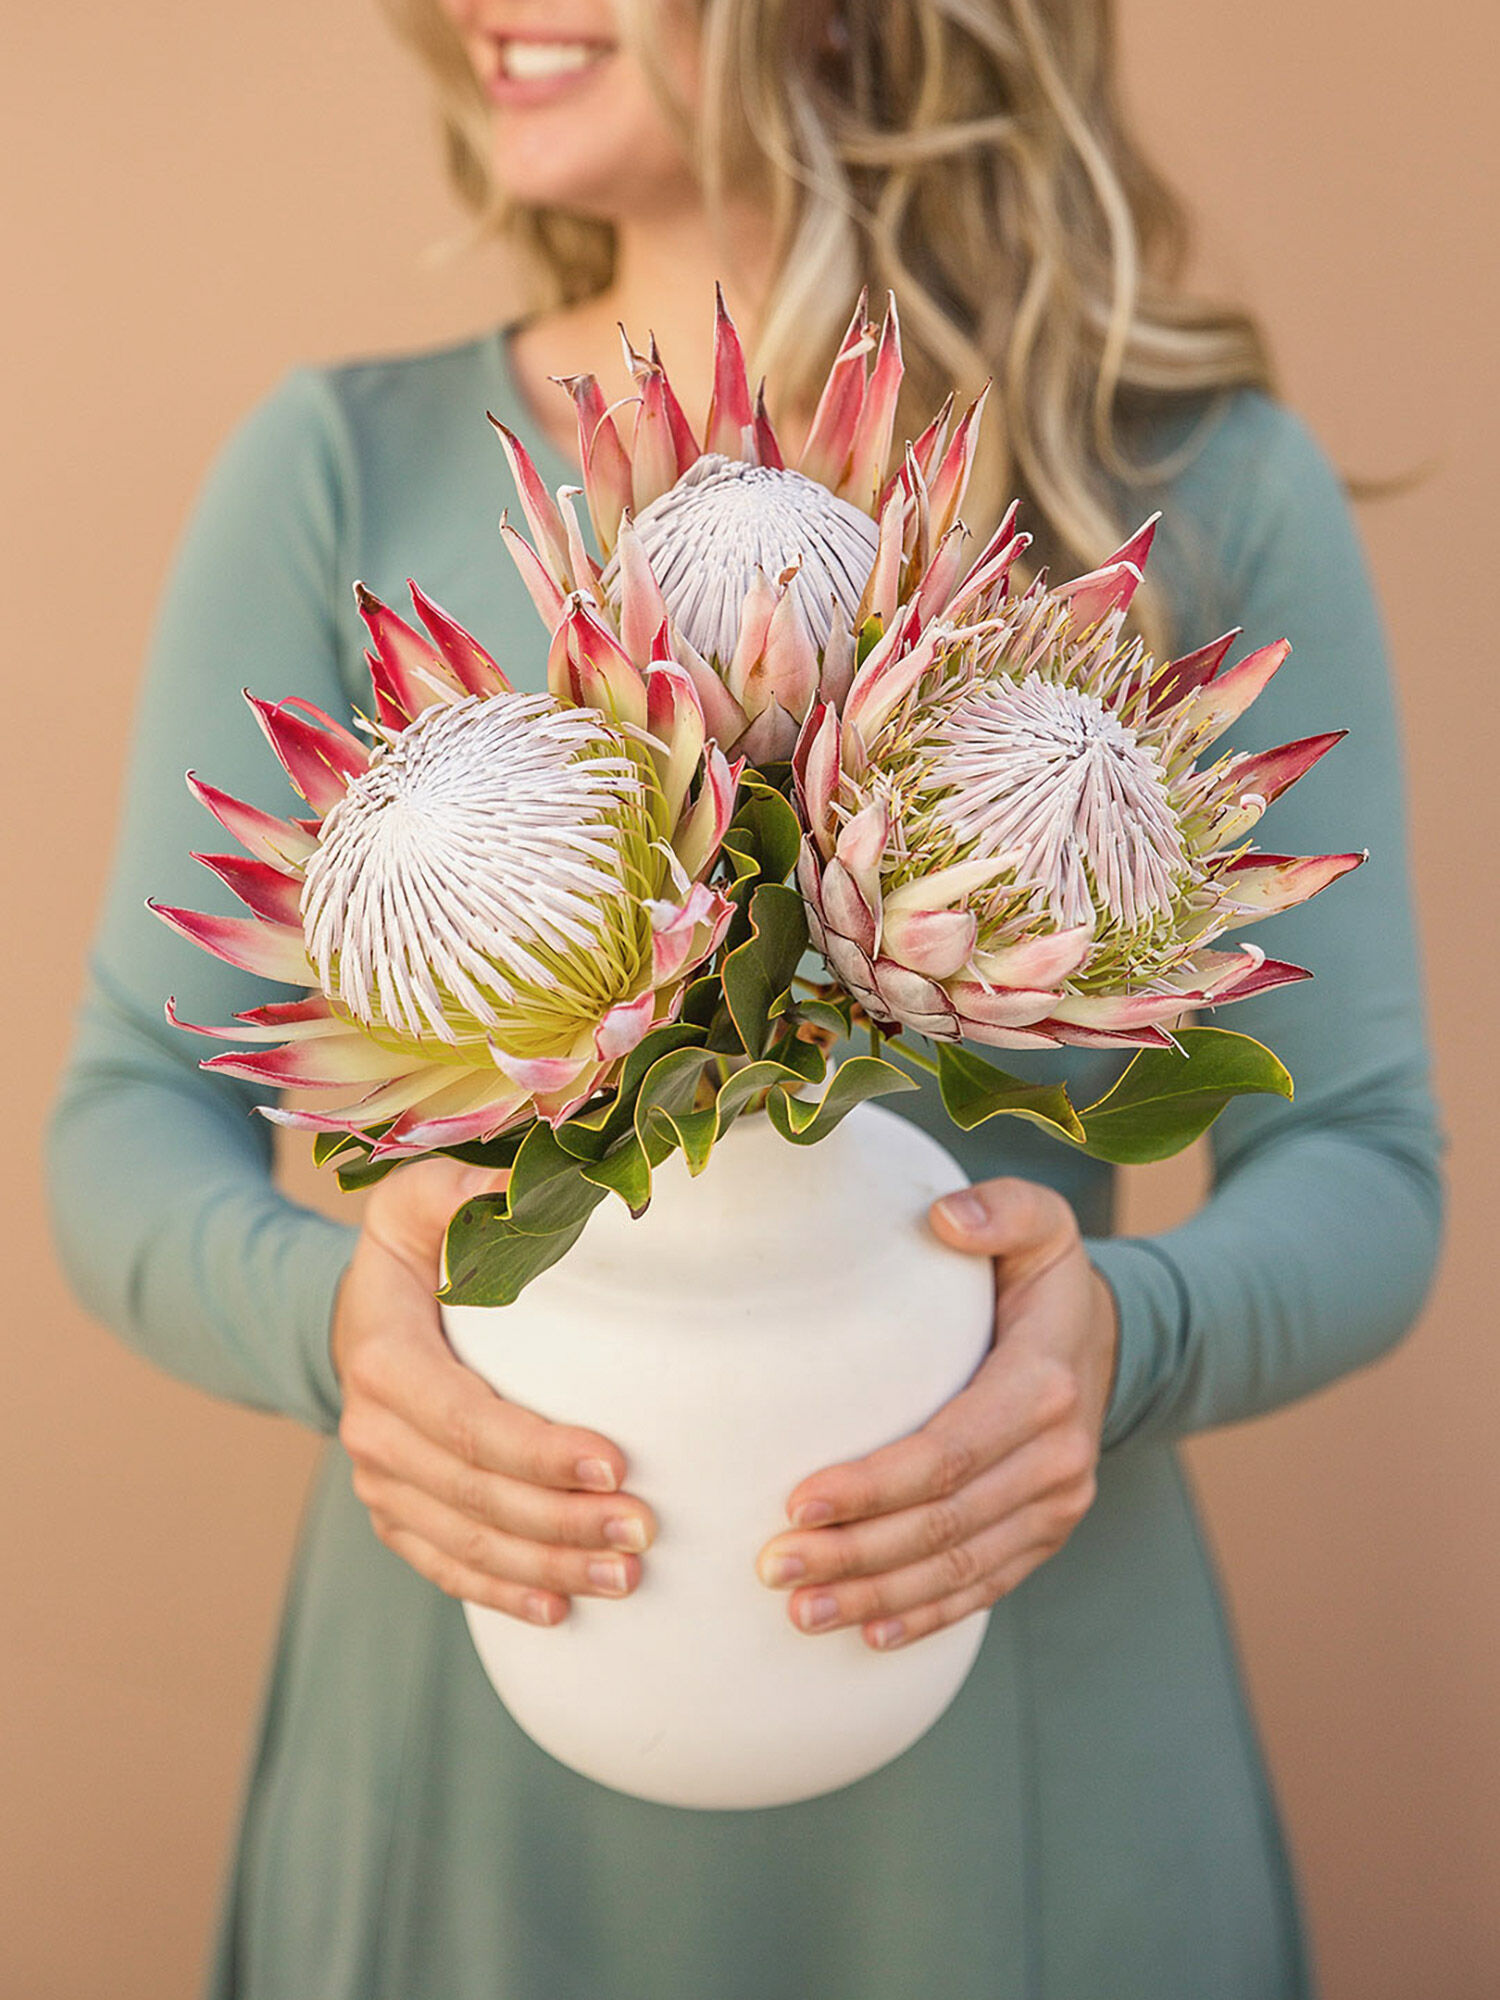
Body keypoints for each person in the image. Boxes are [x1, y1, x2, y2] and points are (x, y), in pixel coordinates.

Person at [46, 2, 1444, 1995]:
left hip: (1015, 1730)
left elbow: (1366, 1160)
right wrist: (345, 1334)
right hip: (481, 1713)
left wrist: (1118, 1348)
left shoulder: (1183, 490)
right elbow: (130, 1105)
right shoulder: (347, 468)